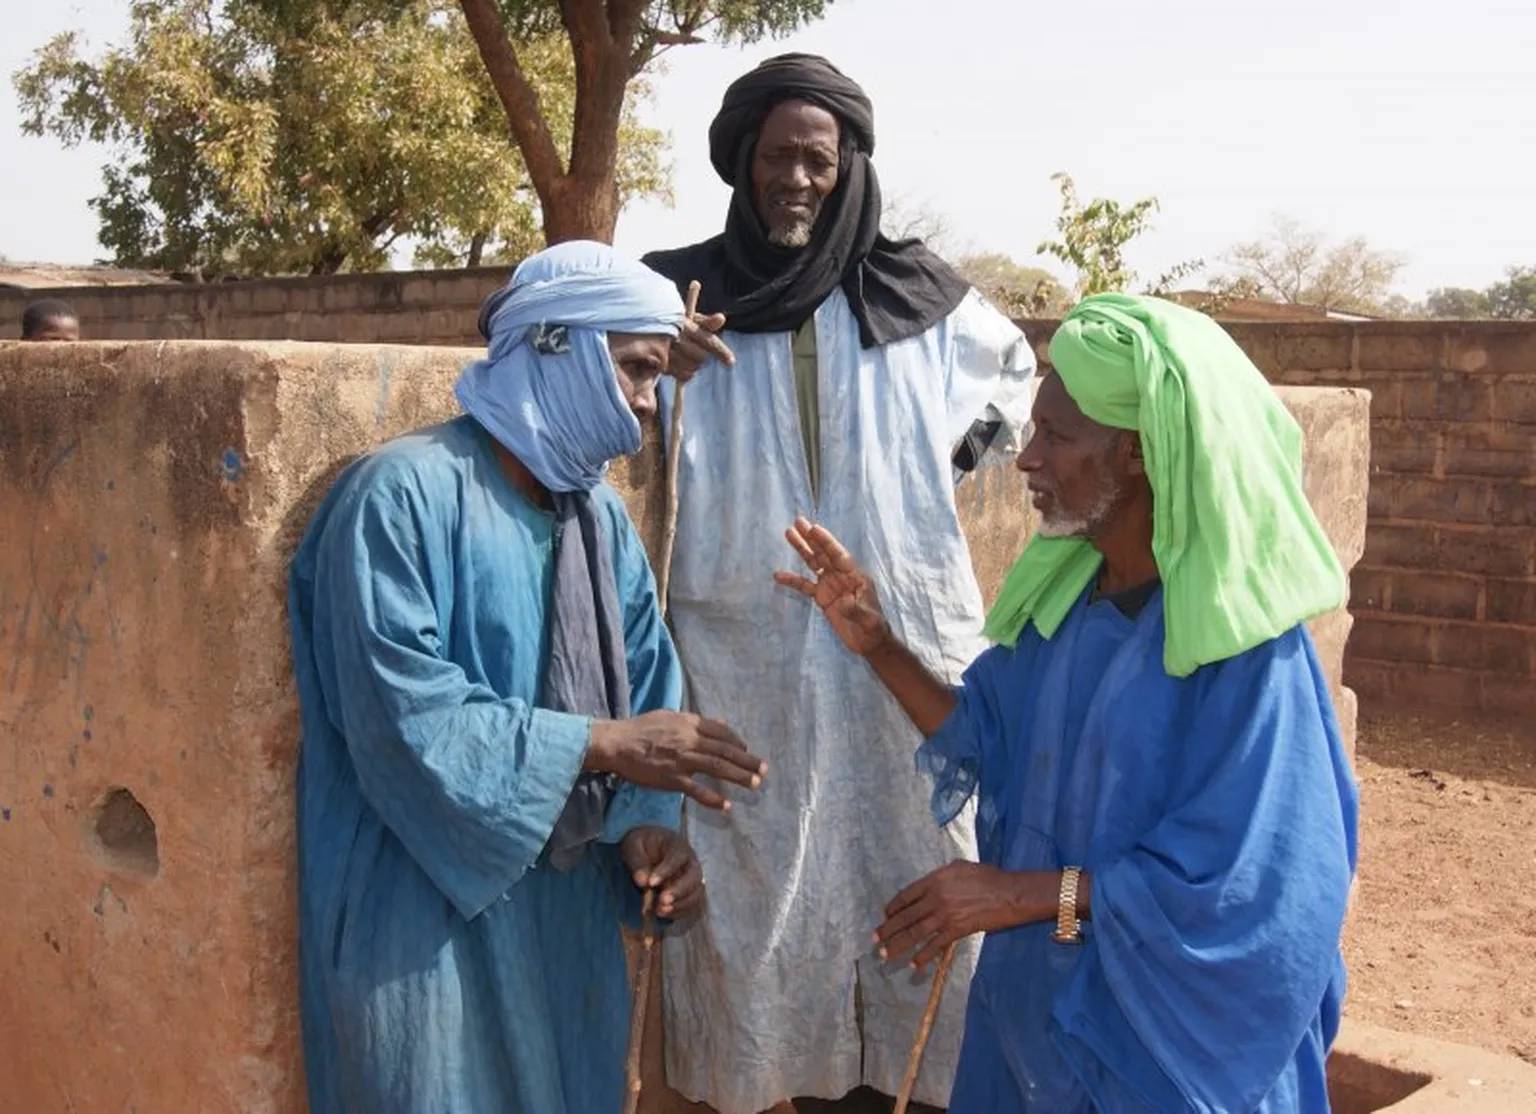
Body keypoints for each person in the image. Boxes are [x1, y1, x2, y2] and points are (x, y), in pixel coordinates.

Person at [777, 293, 1361, 1113]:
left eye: (1056, 435)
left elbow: (1254, 890)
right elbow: (983, 734)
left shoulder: (1246, 654)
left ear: (1135, 452)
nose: (1025, 459)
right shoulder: (1068, 606)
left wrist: (1018, 896)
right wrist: (875, 640)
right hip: (1037, 1033)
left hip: (1158, 1053)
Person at [286, 241, 769, 1114]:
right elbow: (397, 709)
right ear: (557, 346)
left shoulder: (600, 520)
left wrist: (644, 831)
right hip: (423, 919)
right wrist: (602, 744)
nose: (643, 403)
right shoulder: (397, 495)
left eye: (653, 377)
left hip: (564, 927)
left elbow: (645, 676)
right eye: (632, 369)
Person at [643, 52, 1036, 1114]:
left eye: (818, 160)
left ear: (850, 162)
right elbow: (596, 379)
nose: (798, 181)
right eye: (778, 159)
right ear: (743, 163)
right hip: (739, 635)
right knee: (756, 877)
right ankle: (770, 1085)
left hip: (896, 628)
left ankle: (915, 1088)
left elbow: (1017, 387)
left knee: (918, 848)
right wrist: (651, 366)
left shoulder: (926, 296)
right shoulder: (681, 296)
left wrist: (934, 471)